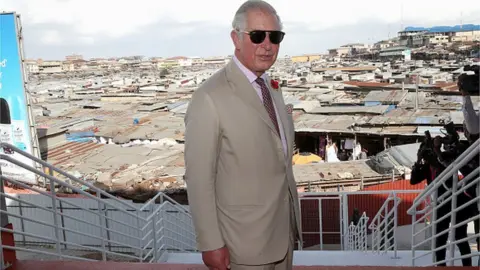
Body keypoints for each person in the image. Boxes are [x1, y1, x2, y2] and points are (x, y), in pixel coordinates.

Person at [183, 1, 301, 269]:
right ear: (236, 38)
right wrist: (211, 243)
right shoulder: (209, 97)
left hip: (282, 237)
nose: (267, 45)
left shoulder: (270, 88)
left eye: (276, 36)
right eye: (257, 35)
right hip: (242, 246)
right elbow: (199, 177)